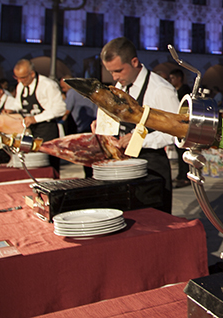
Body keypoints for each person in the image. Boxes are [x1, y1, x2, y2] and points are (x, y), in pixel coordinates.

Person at [99, 37, 180, 213]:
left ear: (134, 62)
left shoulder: (160, 90)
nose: (115, 77)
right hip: (125, 164)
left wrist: (139, 140)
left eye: (118, 71)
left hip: (152, 166)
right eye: (111, 72)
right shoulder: (121, 84)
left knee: (154, 221)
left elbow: (175, 133)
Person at [13, 59, 66, 172]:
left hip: (47, 131)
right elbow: (18, 105)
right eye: (17, 77)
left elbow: (60, 109)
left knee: (49, 167)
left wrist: (35, 119)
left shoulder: (47, 85)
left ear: (32, 74)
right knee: (32, 166)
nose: (20, 81)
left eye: (23, 77)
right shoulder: (20, 86)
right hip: (31, 133)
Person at [60, 78, 99, 177]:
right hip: (94, 126)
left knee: (86, 157)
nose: (63, 89)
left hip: (82, 127)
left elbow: (66, 110)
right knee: (95, 155)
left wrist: (60, 121)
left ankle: (89, 178)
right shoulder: (89, 91)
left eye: (63, 87)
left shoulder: (72, 93)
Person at [168, 68, 192, 188]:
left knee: (184, 151)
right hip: (177, 123)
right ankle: (181, 175)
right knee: (179, 151)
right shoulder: (174, 90)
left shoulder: (185, 90)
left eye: (173, 78)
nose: (171, 80)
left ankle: (185, 176)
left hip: (185, 124)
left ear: (179, 78)